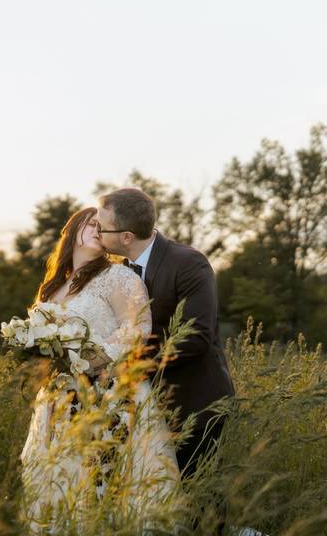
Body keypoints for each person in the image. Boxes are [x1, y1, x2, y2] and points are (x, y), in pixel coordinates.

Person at [20, 206, 180, 533]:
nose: (97, 229)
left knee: (108, 480)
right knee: (64, 480)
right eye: (90, 223)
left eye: (102, 226)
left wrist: (96, 358)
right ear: (72, 230)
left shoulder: (118, 276)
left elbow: (138, 328)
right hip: (62, 399)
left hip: (112, 392)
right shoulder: (52, 288)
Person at [95, 188, 235, 478]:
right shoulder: (120, 270)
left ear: (126, 237)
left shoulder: (188, 263)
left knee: (199, 498)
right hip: (148, 405)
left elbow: (197, 336)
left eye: (101, 227)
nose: (96, 232)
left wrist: (132, 365)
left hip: (194, 402)